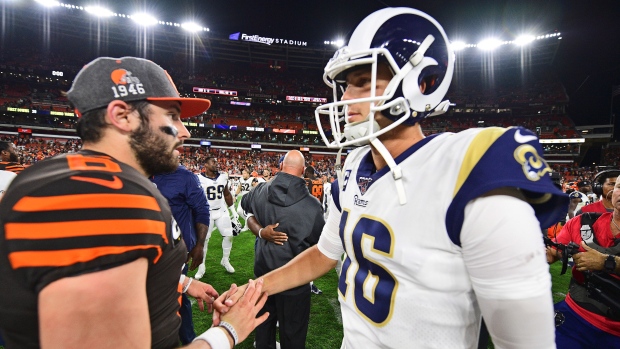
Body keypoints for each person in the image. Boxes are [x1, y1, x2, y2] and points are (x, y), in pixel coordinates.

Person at [214, 8, 567, 349]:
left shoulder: (471, 166)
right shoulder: (352, 166)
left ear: (420, 82)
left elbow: (524, 338)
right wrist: (255, 287)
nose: (347, 97)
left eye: (364, 81)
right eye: (347, 84)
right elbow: (324, 254)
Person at [0, 56, 267, 349]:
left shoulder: (65, 175)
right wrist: (228, 332)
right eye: (172, 116)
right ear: (123, 116)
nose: (185, 132)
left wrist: (183, 284)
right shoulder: (113, 197)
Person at [240, 150, 324, 349]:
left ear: (280, 167)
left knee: (263, 332)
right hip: (294, 281)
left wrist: (261, 231)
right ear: (304, 171)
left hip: (263, 277)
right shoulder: (312, 206)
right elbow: (319, 246)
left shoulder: (260, 190)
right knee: (293, 337)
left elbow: (245, 207)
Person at [547, 174, 620, 347]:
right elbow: (552, 253)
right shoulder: (582, 222)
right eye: (619, 187)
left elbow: (606, 262)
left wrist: (606, 262)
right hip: (575, 315)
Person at [152, 163, 212, 344]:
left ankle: (187, 339)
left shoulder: (184, 176)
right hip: (144, 250)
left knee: (176, 297)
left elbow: (201, 209)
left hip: (175, 252)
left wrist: (199, 244)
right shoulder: (134, 170)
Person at [194, 156, 238, 279]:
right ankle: (201, 266)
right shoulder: (198, 179)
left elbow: (227, 194)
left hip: (221, 210)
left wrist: (233, 211)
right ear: (206, 165)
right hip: (206, 213)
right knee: (204, 240)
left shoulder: (223, 177)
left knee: (229, 235)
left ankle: (225, 260)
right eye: (213, 162)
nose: (216, 164)